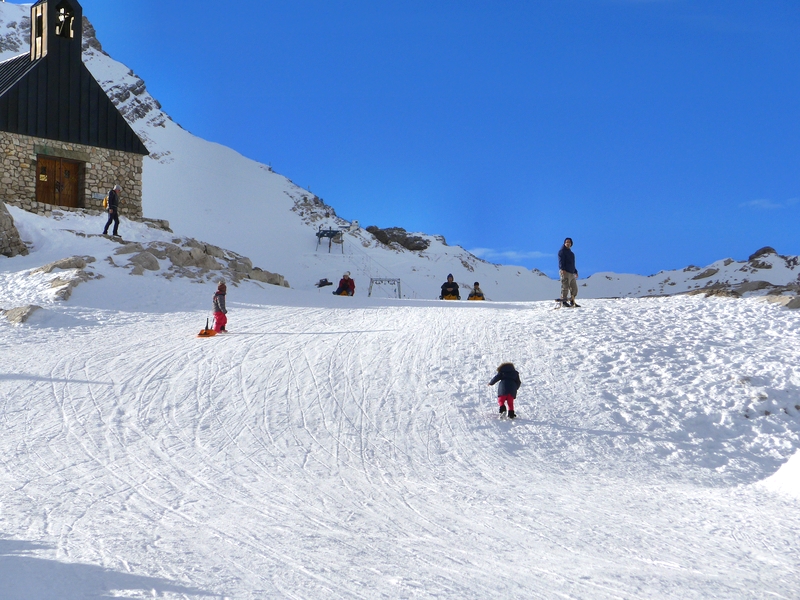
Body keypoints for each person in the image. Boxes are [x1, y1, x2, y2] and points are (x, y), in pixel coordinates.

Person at [558, 237, 580, 307]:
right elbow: (561, 261)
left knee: (574, 288)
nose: (568, 243)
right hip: (565, 272)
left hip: (571, 272)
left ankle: (572, 301)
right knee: (565, 287)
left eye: (569, 242)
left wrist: (575, 271)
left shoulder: (571, 254)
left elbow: (572, 264)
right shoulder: (562, 251)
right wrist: (562, 269)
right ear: (564, 243)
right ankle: (564, 302)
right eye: (566, 242)